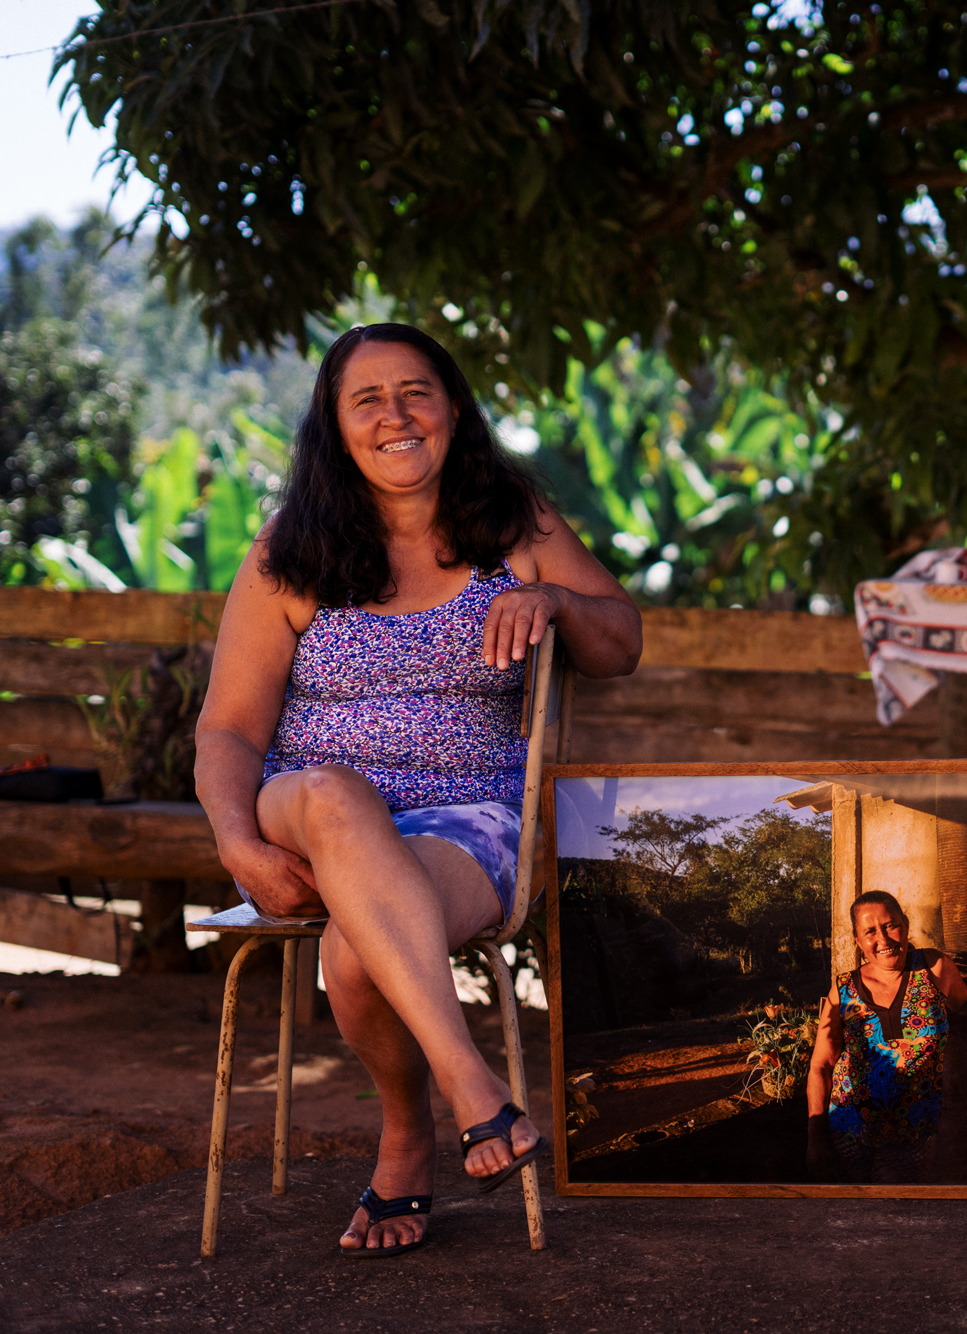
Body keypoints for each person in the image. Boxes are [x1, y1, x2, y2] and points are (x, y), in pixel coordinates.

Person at [194, 323, 642, 1256]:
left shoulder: (512, 526)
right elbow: (230, 728)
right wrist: (238, 846)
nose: (395, 416)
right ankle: (475, 1089)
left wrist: (556, 600)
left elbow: (622, 642)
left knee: (361, 950)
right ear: (335, 425)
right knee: (332, 795)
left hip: (471, 816)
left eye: (416, 392)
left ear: (452, 410)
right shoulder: (291, 551)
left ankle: (407, 1132)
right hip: (300, 814)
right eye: (368, 400)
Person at [805, 891, 967, 1183]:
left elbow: (965, 1000)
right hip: (849, 1131)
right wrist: (815, 1138)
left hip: (911, 1134)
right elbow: (821, 1065)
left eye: (890, 925)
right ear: (857, 939)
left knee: (897, 1215)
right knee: (856, 1217)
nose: (884, 939)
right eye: (870, 931)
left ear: (906, 923)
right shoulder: (844, 990)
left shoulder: (932, 968)